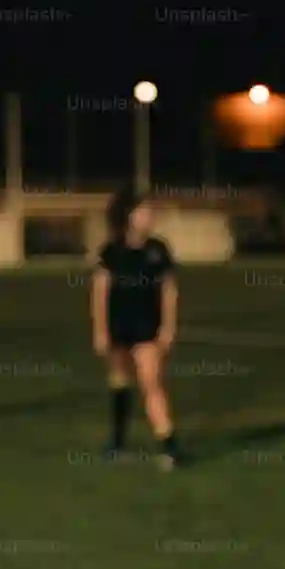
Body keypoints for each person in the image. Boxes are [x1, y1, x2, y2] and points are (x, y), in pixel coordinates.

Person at [91, 190, 183, 470]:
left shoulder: (158, 249)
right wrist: (100, 330)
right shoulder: (112, 251)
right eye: (144, 211)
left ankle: (170, 446)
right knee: (119, 381)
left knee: (150, 382)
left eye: (150, 212)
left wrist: (168, 327)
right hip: (118, 325)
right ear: (129, 216)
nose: (149, 216)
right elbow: (99, 291)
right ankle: (117, 443)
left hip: (147, 328)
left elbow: (169, 289)